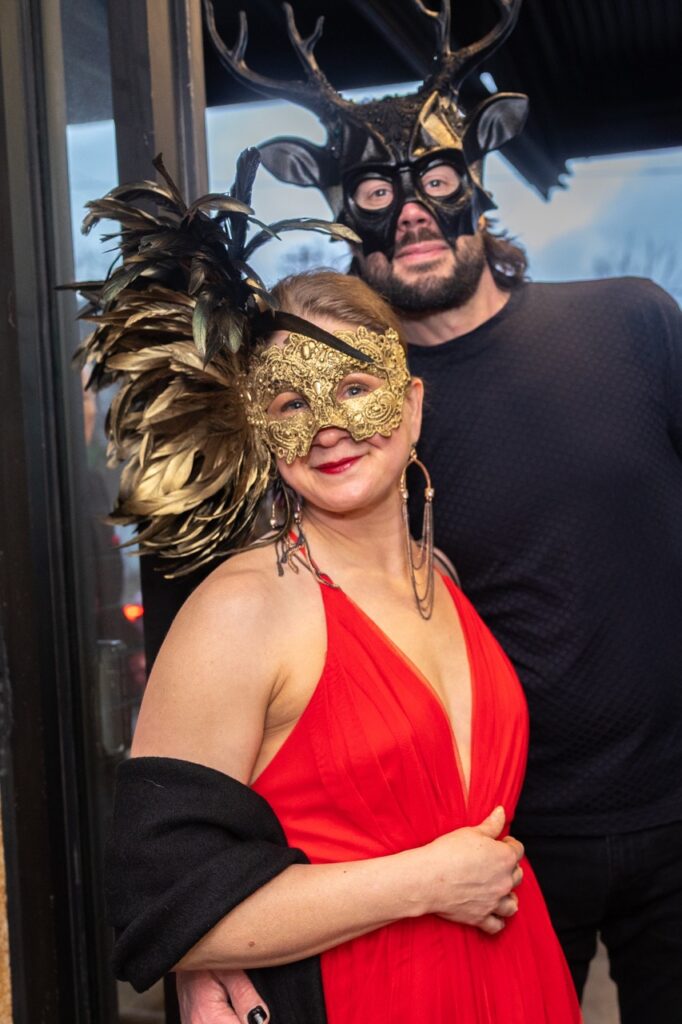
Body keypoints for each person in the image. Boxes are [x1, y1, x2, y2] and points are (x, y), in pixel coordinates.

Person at [187, 0, 682, 1021]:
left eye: (437, 181)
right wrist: (213, 934)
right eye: (376, 192)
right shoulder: (355, 427)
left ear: (477, 186)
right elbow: (282, 644)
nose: (410, 212)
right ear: (342, 213)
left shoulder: (633, 321)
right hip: (495, 847)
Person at [107, 269, 580, 1023]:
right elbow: (159, 908)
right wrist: (427, 883)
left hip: (521, 978)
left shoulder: (442, 577)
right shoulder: (244, 610)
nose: (327, 426)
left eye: (355, 387)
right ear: (262, 428)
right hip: (372, 996)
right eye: (292, 403)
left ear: (412, 406)